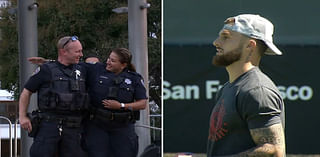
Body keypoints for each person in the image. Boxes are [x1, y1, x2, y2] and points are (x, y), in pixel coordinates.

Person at [207, 14, 286, 156]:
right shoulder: (227, 88)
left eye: (226, 37)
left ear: (250, 46)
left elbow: (274, 151)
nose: (216, 42)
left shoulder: (257, 91)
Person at [19, 36, 89, 157]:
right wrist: (22, 116)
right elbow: (26, 92)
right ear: (63, 51)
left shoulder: (82, 69)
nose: (81, 54)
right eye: (77, 51)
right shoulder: (46, 70)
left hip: (73, 128)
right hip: (49, 126)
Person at [83, 48, 147, 157]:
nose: (108, 62)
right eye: (109, 58)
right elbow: (74, 65)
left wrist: (121, 106)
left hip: (122, 127)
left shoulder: (134, 78)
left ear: (123, 65)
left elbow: (142, 103)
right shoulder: (96, 69)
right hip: (98, 126)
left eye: (113, 61)